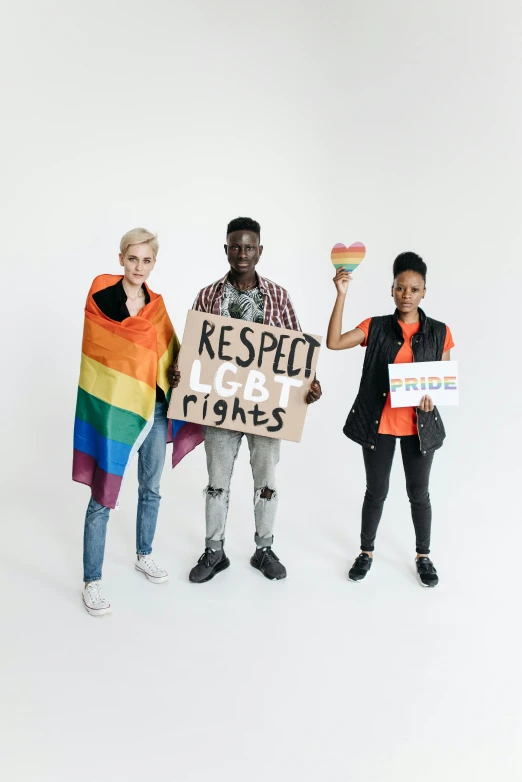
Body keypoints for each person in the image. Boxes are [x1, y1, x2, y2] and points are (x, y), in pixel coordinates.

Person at [174, 216, 322, 583]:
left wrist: (309, 384)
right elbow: (193, 349)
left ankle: (264, 548)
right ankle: (214, 550)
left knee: (266, 480)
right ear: (226, 249)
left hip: (264, 409)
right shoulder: (208, 296)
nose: (242, 253)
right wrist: (180, 372)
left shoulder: (278, 296)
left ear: (260, 250)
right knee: (216, 482)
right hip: (220, 408)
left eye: (249, 247)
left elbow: (294, 348)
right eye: (235, 247)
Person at [326, 252, 454, 587]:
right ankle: (366, 552)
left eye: (414, 288)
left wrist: (431, 399)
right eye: (400, 287)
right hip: (378, 425)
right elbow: (334, 342)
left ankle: (423, 556)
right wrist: (341, 295)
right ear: (392, 289)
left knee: (419, 493)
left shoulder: (440, 332)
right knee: (376, 491)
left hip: (419, 427)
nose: (407, 294)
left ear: (424, 291)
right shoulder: (376, 326)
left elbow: (440, 382)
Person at [73, 228, 182, 616]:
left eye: (146, 260)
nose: (139, 266)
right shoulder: (101, 301)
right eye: (132, 258)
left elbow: (172, 355)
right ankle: (92, 580)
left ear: (154, 263)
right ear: (121, 258)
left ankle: (144, 553)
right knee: (103, 493)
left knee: (150, 487)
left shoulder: (157, 307)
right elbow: (99, 359)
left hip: (153, 407)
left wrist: (179, 377)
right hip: (114, 410)